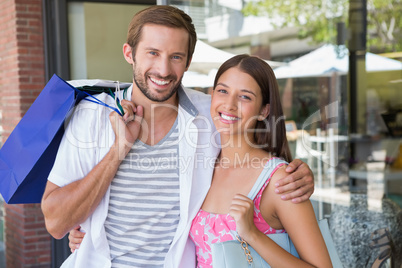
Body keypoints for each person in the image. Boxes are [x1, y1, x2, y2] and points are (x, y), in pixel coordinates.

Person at [41, 5, 315, 268]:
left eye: (175, 56)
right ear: (129, 53)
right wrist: (118, 150)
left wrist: (297, 173)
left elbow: (255, 154)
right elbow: (56, 223)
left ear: (188, 62)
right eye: (152, 53)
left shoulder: (210, 114)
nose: (163, 69)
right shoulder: (92, 116)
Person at [189, 54, 332, 267]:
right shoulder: (203, 167)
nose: (229, 104)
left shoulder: (280, 181)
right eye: (222, 91)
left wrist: (252, 235)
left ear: (264, 110)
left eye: (245, 97)